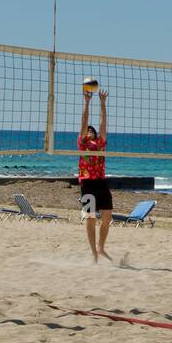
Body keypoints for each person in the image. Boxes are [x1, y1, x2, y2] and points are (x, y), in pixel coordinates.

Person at [78, 88, 112, 263]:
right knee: (90, 218)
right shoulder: (83, 143)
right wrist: (87, 101)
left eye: (92, 130)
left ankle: (101, 247)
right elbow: (84, 121)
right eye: (88, 130)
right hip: (87, 184)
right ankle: (93, 253)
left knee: (107, 217)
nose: (90, 130)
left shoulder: (100, 143)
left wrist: (103, 103)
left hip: (101, 183)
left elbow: (102, 123)